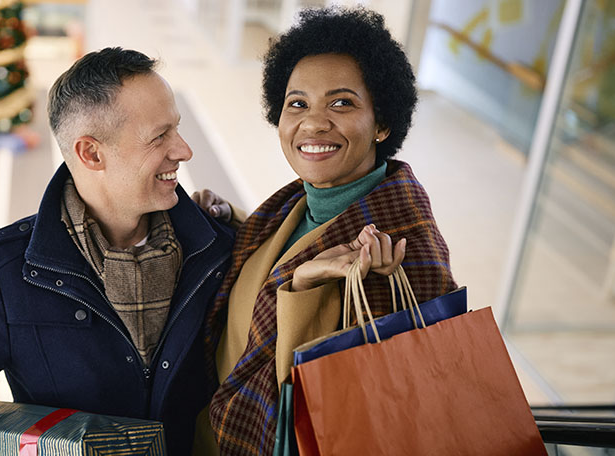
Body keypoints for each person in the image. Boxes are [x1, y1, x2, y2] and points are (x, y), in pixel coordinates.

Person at [0, 47, 235, 456]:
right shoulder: (6, 274)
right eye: (159, 136)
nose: (183, 150)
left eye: (175, 129)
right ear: (91, 153)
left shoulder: (216, 250)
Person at [196, 7, 458, 455]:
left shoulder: (393, 247)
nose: (313, 122)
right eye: (297, 103)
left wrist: (302, 286)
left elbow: (328, 411)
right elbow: (289, 253)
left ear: (382, 123)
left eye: (342, 102)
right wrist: (236, 221)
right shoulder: (292, 207)